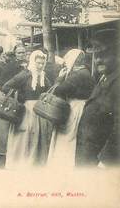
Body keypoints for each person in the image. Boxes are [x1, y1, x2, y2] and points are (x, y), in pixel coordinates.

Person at [76, 29, 119, 167]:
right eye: (96, 55)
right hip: (89, 157)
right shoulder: (103, 78)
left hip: (102, 164)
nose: (98, 59)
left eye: (104, 55)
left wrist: (106, 161)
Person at [2, 50, 52, 169]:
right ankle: (20, 162)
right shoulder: (25, 74)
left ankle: (34, 162)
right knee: (24, 135)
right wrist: (21, 97)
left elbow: (49, 90)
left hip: (39, 110)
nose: (40, 66)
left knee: (37, 135)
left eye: (42, 63)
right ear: (33, 62)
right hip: (26, 109)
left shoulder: (44, 76)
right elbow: (5, 87)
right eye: (38, 63)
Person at [47, 49, 95, 168]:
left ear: (74, 61)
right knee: (73, 135)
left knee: (68, 134)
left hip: (75, 107)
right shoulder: (85, 72)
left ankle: (64, 162)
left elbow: (59, 90)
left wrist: (59, 79)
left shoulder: (78, 75)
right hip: (81, 105)